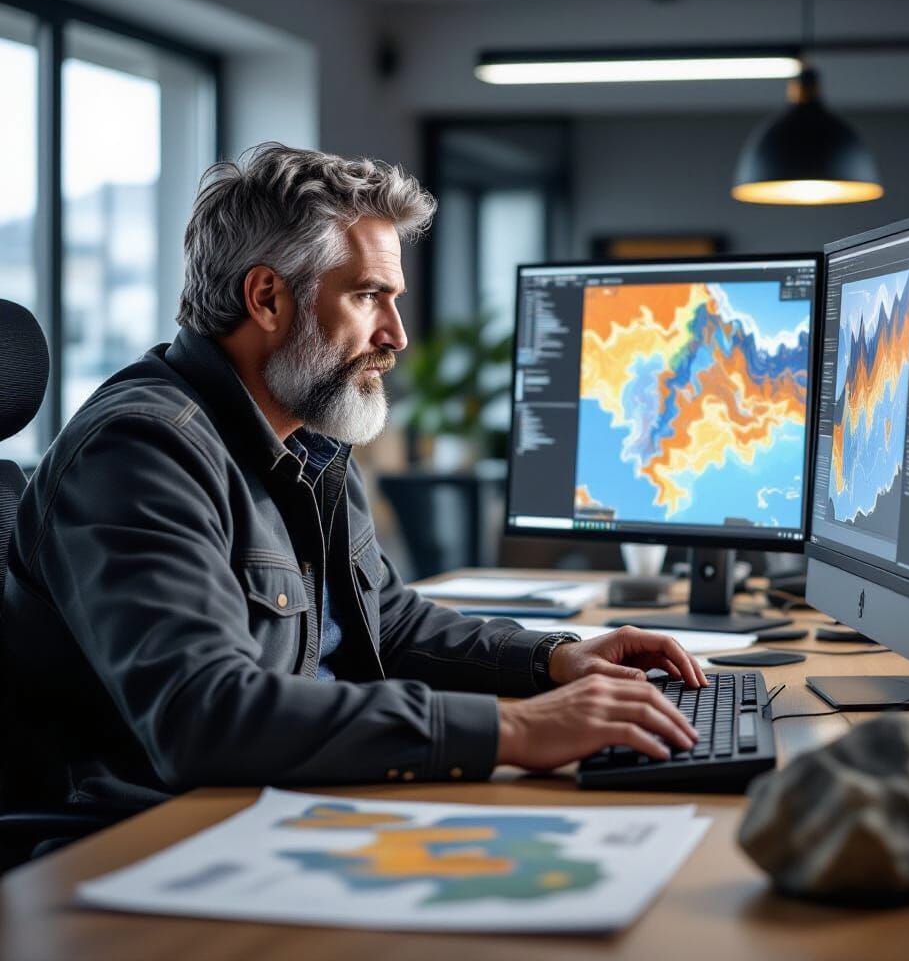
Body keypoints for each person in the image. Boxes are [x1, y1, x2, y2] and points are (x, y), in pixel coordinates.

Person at [0, 143, 704, 820]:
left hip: (291, 800)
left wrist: (552, 661)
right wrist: (512, 730)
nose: (396, 334)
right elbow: (207, 716)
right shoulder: (140, 451)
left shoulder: (308, 435)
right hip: (150, 835)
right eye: (370, 296)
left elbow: (387, 622)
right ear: (268, 298)